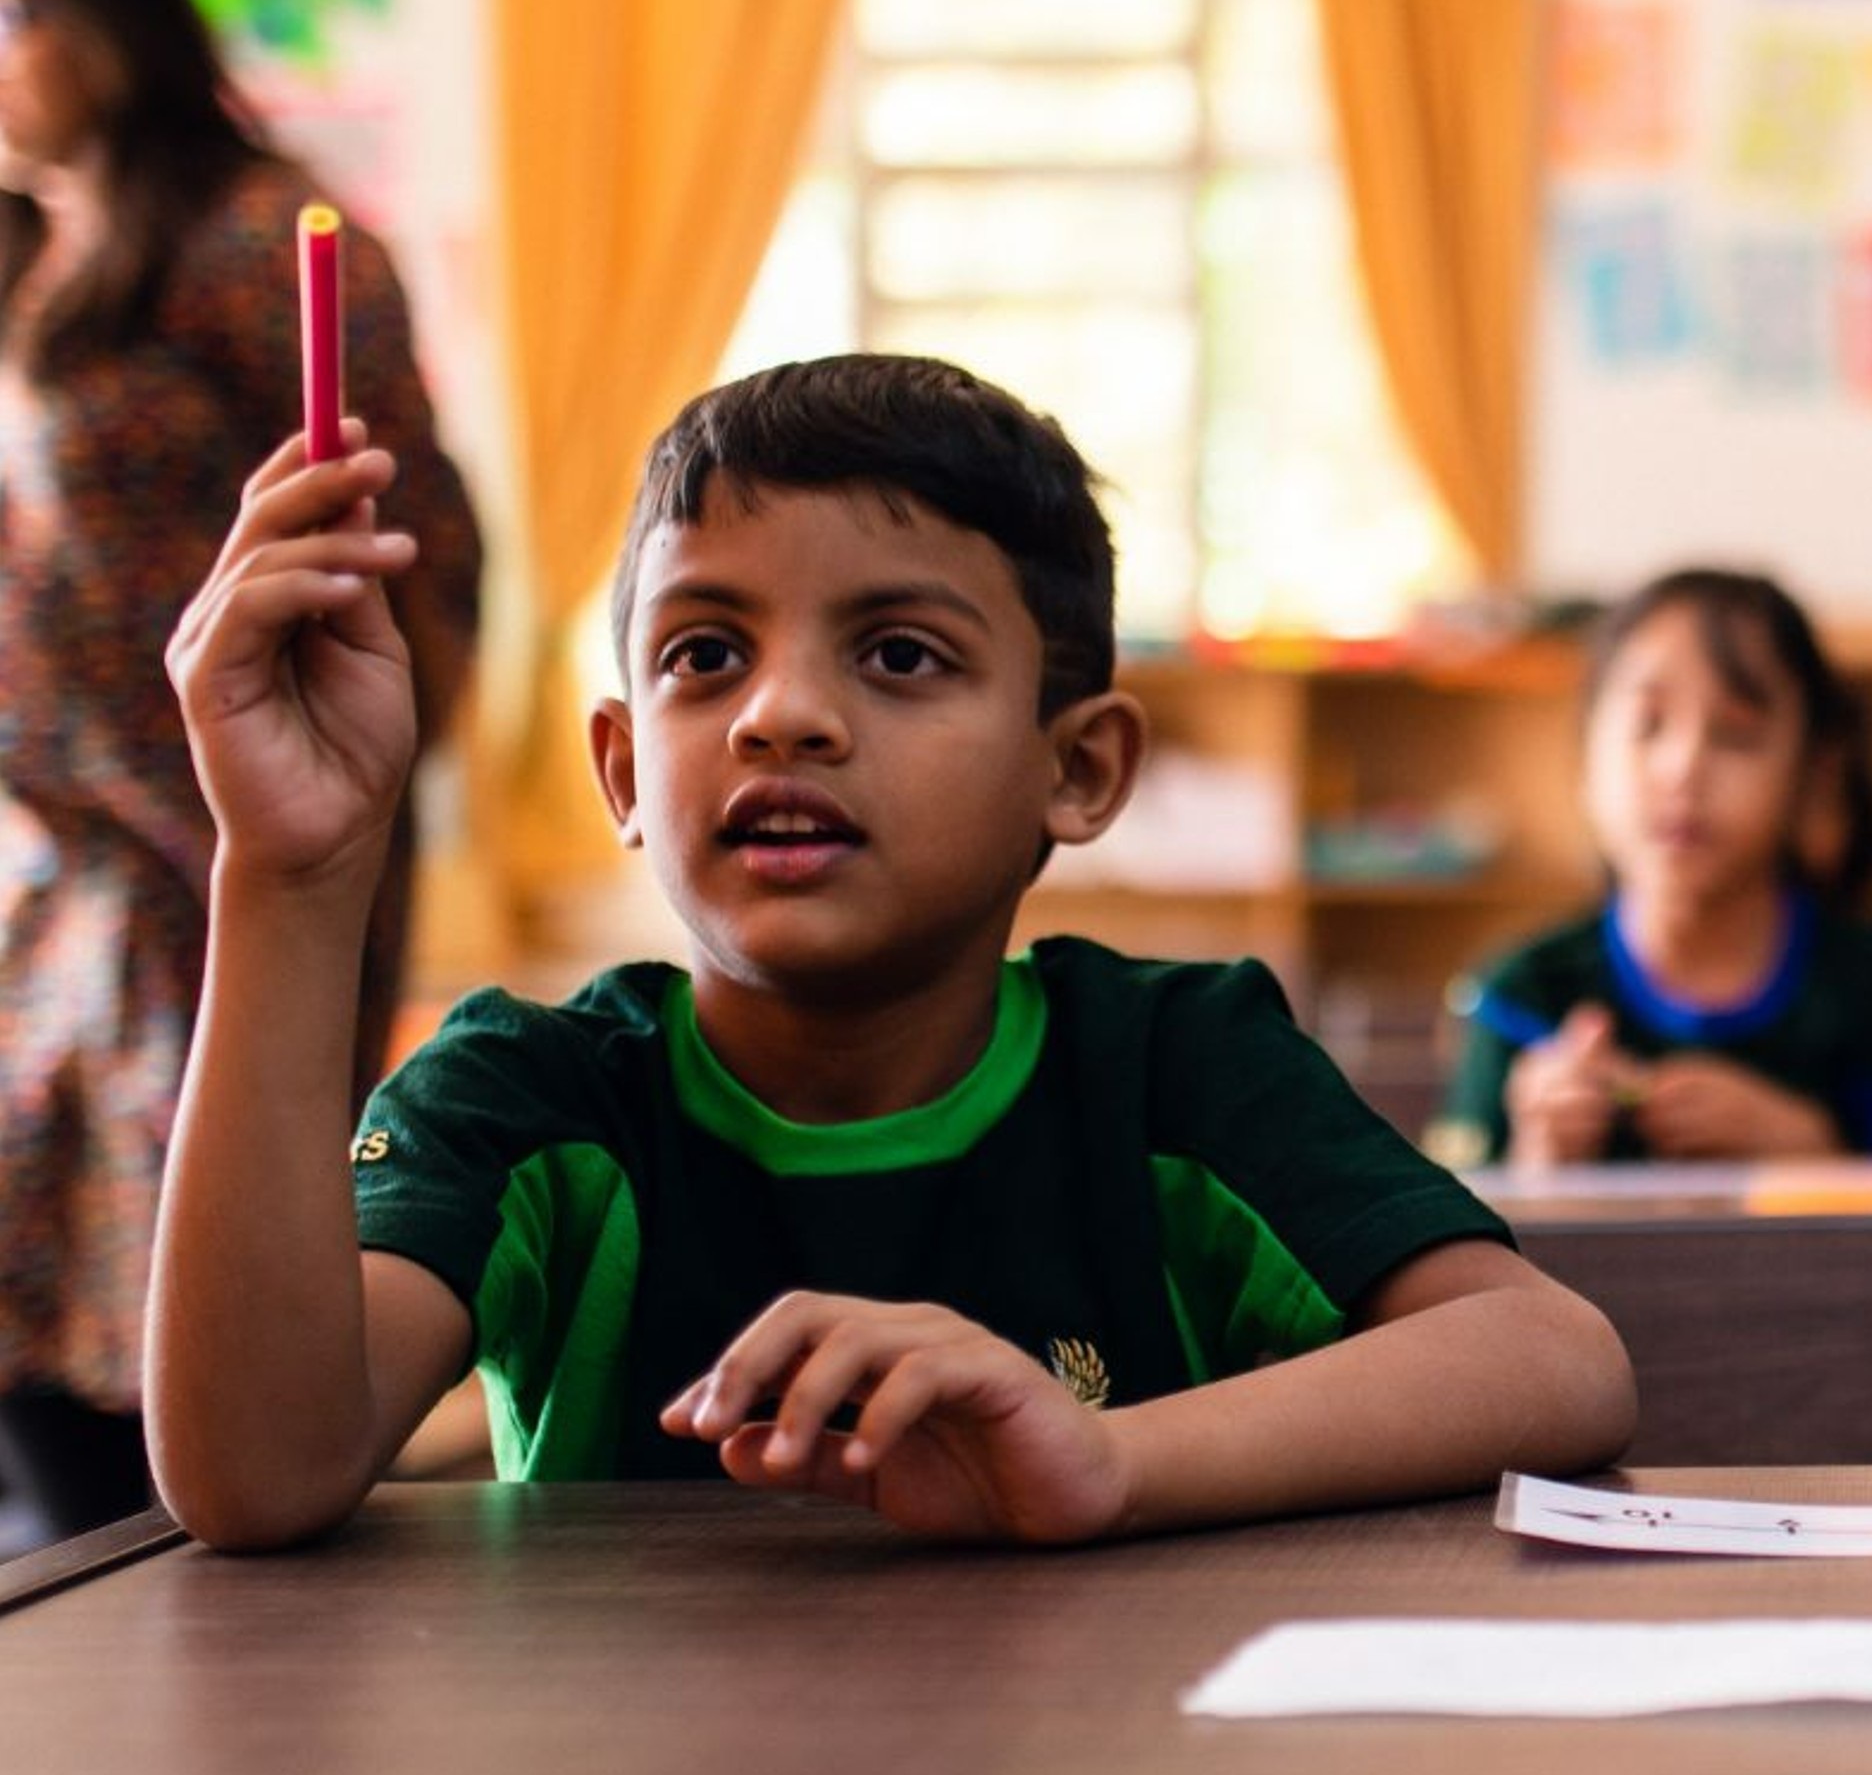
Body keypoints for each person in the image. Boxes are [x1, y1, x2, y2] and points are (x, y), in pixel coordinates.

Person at [145, 354, 1631, 1551]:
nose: (780, 715)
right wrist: (291, 872)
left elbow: (1553, 1360)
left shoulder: (1177, 1067)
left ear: (1079, 769)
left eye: (900, 654)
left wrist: (1109, 1462)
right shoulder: (527, 1097)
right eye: (703, 654)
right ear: (622, 770)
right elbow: (254, 1477)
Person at [0, 0, 481, 1549]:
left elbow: (418, 527)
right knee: (33, 1260)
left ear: (115, 28)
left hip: (211, 842)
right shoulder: (37, 250)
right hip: (51, 854)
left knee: (179, 1270)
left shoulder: (265, 239)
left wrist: (339, 813)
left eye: (12, 14)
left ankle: (181, 1597)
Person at [1434, 569, 1872, 1168]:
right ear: (1587, 760)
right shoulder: (1522, 996)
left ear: (1813, 774)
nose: (1683, 767)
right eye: (1648, 725)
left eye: (1736, 735)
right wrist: (1537, 1161)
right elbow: (1450, 1213)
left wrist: (1815, 1151)